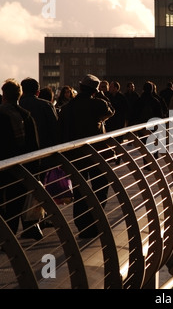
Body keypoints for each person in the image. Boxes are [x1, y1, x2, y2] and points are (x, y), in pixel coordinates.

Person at [0, 79, 40, 248]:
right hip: (19, 168)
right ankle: (8, 239)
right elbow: (34, 147)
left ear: (4, 95)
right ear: (18, 95)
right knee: (15, 203)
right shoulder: (26, 117)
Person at [58, 74, 115, 239]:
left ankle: (82, 225)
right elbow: (111, 111)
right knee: (100, 187)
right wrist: (102, 96)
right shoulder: (98, 104)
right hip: (95, 154)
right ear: (95, 90)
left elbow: (60, 131)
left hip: (74, 155)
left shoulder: (67, 108)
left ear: (81, 87)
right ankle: (95, 222)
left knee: (80, 191)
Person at [20, 78, 59, 150]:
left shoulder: (19, 106)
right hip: (45, 149)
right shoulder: (47, 105)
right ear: (38, 92)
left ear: (23, 91)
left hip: (23, 151)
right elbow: (55, 129)